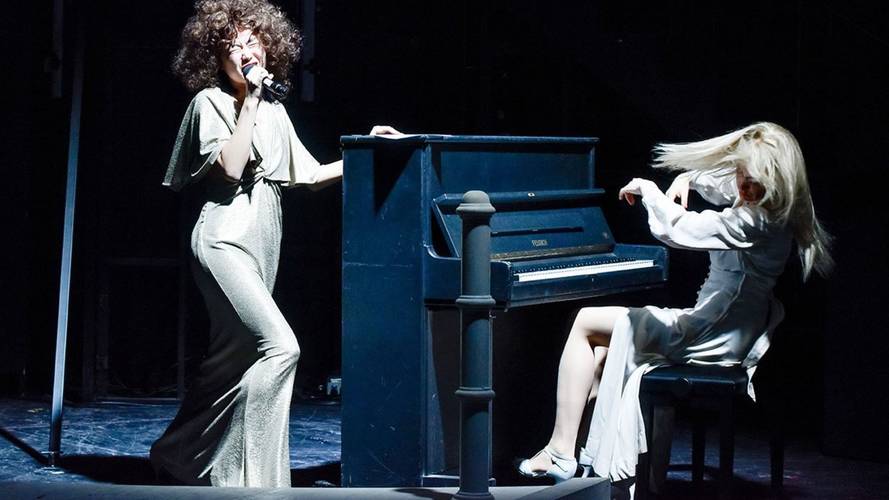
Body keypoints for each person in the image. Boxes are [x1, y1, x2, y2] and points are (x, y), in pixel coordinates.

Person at [151, 0, 398, 487]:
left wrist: (370, 149)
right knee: (281, 348)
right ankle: (257, 481)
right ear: (215, 59)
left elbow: (309, 175)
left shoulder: (276, 111)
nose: (245, 52)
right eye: (232, 47)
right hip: (223, 240)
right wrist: (250, 101)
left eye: (252, 41)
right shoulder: (210, 103)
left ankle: (175, 454)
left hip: (263, 240)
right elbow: (230, 167)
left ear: (268, 46)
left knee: (233, 360)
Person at [517, 122, 833, 493]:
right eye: (742, 176)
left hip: (713, 333)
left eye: (754, 182)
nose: (743, 188)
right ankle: (588, 463)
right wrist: (689, 178)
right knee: (602, 355)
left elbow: (681, 229)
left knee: (586, 323)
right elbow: (721, 184)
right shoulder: (768, 205)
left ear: (777, 182)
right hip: (726, 326)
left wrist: (649, 190)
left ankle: (559, 451)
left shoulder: (756, 221)